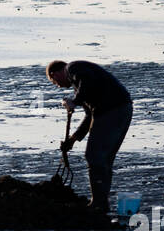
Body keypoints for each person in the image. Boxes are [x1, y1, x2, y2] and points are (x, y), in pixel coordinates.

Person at [46, 59, 132, 210]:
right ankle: (101, 202)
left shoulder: (74, 68)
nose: (58, 86)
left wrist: (74, 101)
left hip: (112, 110)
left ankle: (98, 203)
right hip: (120, 109)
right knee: (104, 159)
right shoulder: (78, 86)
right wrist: (73, 139)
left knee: (94, 156)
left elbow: (86, 80)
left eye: (54, 82)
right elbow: (89, 116)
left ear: (55, 74)